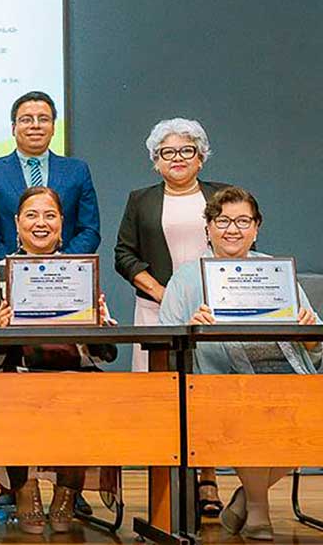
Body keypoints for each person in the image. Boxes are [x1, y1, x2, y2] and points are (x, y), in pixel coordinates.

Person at [159, 186, 319, 542]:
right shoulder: (185, 277)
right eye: (223, 221)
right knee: (251, 409)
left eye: (243, 221)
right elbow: (165, 341)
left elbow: (315, 344)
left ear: (256, 227)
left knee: (307, 415)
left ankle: (245, 499)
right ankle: (259, 510)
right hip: (220, 385)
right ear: (209, 228)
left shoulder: (275, 271)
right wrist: (192, 328)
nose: (233, 229)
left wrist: (308, 329)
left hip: (290, 377)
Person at [0, 186, 118, 535]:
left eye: (50, 215)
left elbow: (105, 348)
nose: (41, 223)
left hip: (73, 369)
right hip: (16, 369)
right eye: (32, 215)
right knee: (11, 394)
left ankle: (68, 490)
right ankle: (25, 488)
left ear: (62, 223)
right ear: (17, 223)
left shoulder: (81, 271)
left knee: (89, 396)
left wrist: (98, 324)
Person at [113, 118, 227, 515]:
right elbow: (124, 255)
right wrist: (167, 295)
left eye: (186, 150)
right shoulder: (140, 200)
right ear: (155, 160)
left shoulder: (221, 196)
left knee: (206, 395)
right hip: (156, 309)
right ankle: (165, 490)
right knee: (161, 399)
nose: (177, 158)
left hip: (211, 312)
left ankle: (208, 479)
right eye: (167, 152)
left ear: (201, 157)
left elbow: (237, 243)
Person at [0, 91, 100, 265]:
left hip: (66, 273)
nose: (35, 125)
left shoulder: (77, 171)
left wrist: (60, 265)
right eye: (26, 120)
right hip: (6, 273)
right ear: (13, 128)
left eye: (43, 119)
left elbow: (89, 229)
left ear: (53, 128)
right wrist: (12, 267)